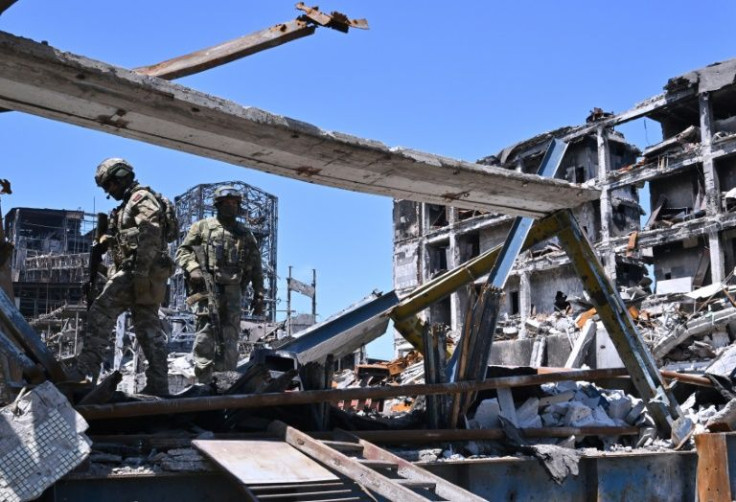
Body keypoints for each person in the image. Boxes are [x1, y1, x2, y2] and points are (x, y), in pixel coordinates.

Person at [72, 158, 173, 395]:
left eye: (110, 185)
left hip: (137, 272)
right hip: (146, 275)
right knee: (148, 329)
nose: (108, 192)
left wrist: (138, 272)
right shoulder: (126, 205)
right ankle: (159, 384)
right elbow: (131, 236)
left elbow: (150, 232)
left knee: (101, 312)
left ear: (120, 176)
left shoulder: (140, 198)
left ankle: (84, 372)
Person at [175, 185, 264, 384]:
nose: (231, 206)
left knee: (230, 340)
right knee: (205, 338)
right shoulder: (202, 227)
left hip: (233, 293)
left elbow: (257, 267)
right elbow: (182, 251)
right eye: (227, 203)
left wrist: (259, 295)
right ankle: (203, 384)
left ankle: (225, 384)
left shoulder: (244, 233)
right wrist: (193, 268)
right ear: (218, 205)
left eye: (234, 203)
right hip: (208, 291)